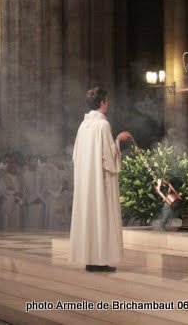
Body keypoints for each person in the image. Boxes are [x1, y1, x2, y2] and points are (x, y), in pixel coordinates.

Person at [69, 87, 133, 272]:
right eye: (107, 100)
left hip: (86, 182)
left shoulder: (84, 125)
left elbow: (75, 156)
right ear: (103, 102)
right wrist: (119, 141)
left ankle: (90, 259)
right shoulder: (103, 125)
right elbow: (108, 159)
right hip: (100, 183)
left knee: (90, 217)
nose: (108, 104)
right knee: (101, 216)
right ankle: (100, 260)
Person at [22, 155, 45, 229]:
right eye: (32, 161)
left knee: (41, 226)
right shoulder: (24, 176)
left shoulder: (41, 175)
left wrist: (41, 198)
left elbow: (44, 187)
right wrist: (32, 199)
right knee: (31, 226)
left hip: (41, 203)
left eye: (36, 161)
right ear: (28, 162)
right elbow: (23, 190)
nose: (34, 164)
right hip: (30, 204)